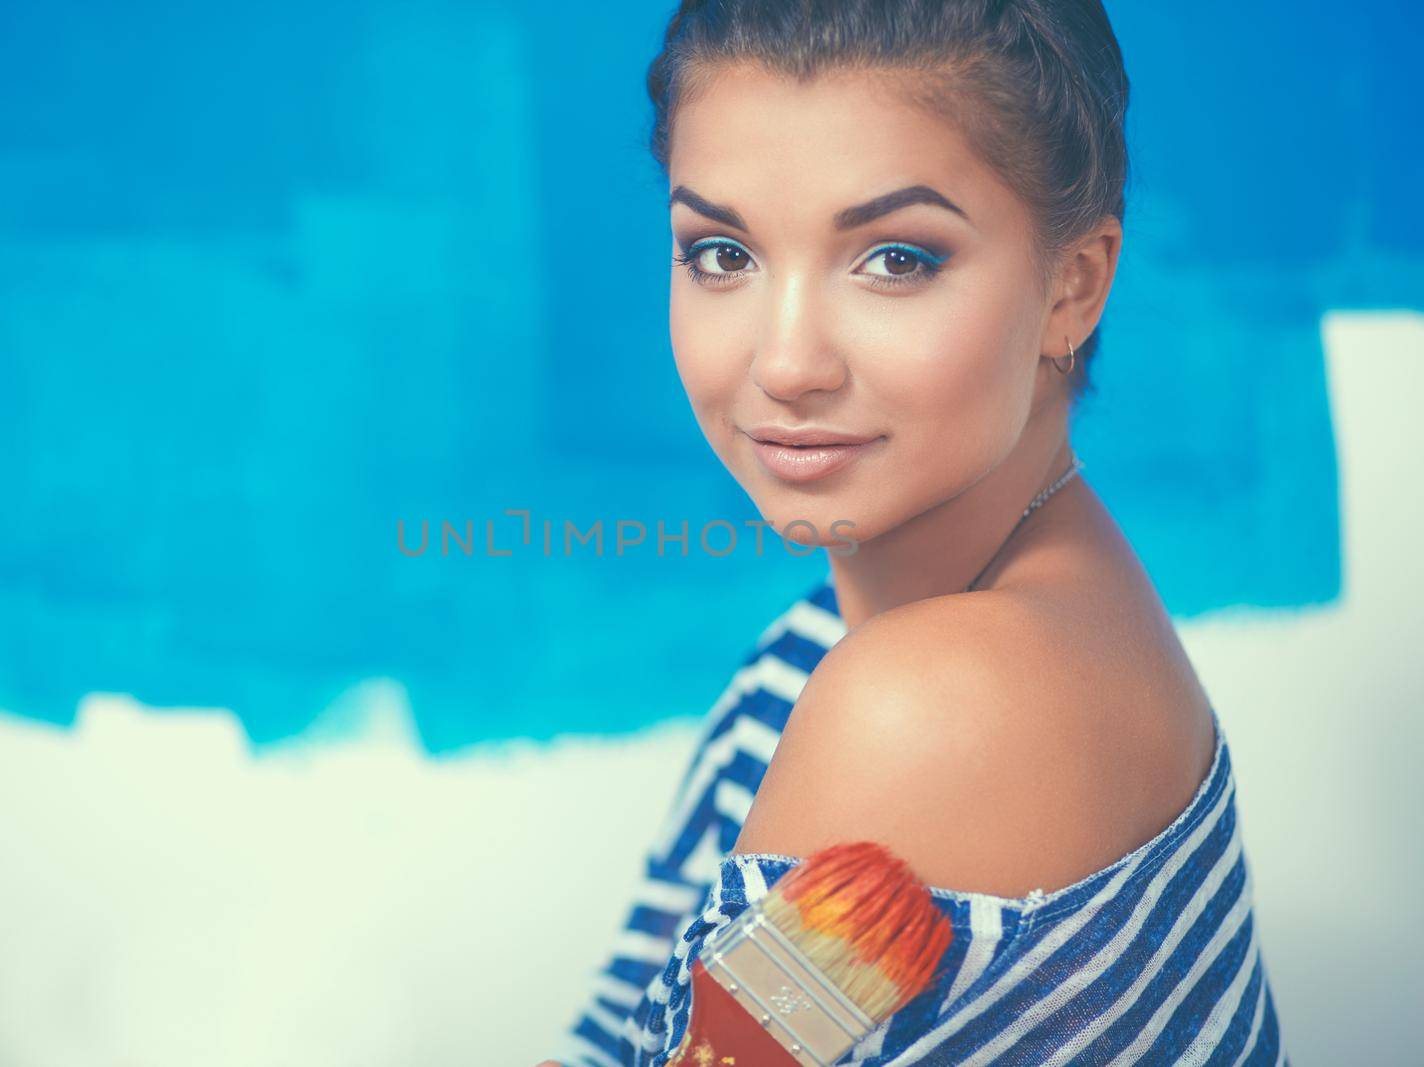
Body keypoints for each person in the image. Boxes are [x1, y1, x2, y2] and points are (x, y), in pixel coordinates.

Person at [547, 1, 1286, 1063]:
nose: (786, 361)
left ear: (1072, 286)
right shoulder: (863, 623)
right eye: (720, 253)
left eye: (895, 258)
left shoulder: (938, 700)